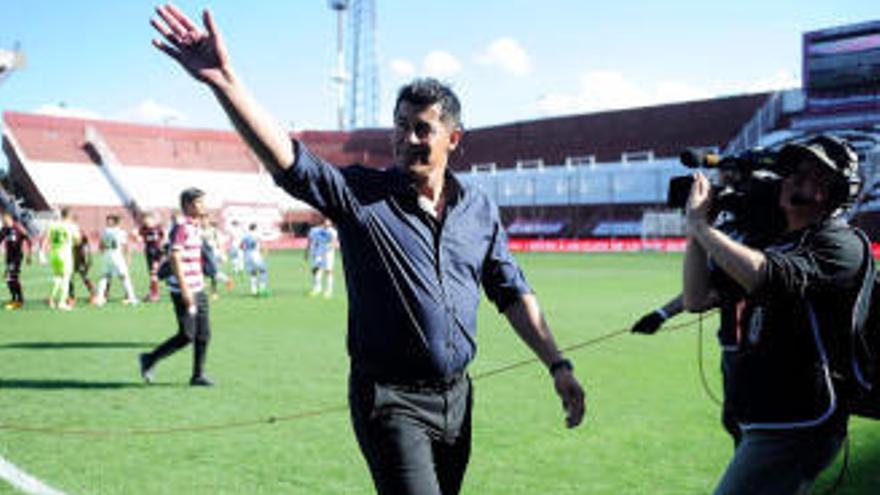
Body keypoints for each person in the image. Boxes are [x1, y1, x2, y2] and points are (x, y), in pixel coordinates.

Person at [150, 6, 585, 493]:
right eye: (400, 126)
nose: (407, 139)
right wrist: (225, 83)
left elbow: (512, 292)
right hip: (389, 400)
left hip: (458, 399)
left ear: (453, 138)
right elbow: (290, 161)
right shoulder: (361, 195)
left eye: (423, 129)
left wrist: (557, 364)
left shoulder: (478, 210)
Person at [682, 135, 865, 494]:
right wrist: (695, 230)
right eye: (792, 171)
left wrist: (703, 227)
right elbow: (697, 297)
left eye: (811, 174)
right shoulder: (772, 242)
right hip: (765, 415)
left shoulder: (842, 244)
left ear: (836, 191)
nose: (793, 179)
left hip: (799, 421)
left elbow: (767, 275)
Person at [139, 187, 213, 387]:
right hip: (183, 290)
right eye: (199, 203)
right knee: (187, 335)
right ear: (188, 205)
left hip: (198, 288)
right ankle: (149, 358)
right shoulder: (181, 227)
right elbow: (174, 256)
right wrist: (186, 288)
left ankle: (198, 375)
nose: (204, 206)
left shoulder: (195, 226)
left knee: (203, 334)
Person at [94, 214, 139, 306]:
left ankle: (99, 298)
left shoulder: (105, 231)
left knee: (104, 276)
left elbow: (100, 246)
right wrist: (128, 258)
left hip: (107, 255)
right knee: (124, 276)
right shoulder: (121, 232)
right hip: (117, 255)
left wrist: (104, 252)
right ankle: (132, 298)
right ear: (118, 222)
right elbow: (125, 246)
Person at [43, 208, 79, 311]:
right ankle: (62, 303)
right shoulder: (71, 226)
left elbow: (47, 238)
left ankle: (51, 298)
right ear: (69, 215)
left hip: (54, 253)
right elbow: (77, 240)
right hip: (65, 254)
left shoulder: (52, 225)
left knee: (58, 277)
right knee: (66, 278)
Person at [0, 211, 31, 310]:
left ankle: (18, 300)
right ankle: (15, 298)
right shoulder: (4, 229)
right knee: (10, 279)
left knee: (11, 277)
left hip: (17, 257)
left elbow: (28, 239)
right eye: (3, 220)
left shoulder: (18, 228)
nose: (4, 221)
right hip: (9, 257)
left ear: (10, 219)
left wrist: (29, 255)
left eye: (5, 220)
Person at [137, 210, 166, 302]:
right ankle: (153, 292)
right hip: (149, 253)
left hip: (157, 252)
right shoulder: (143, 229)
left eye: (148, 219)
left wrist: (162, 247)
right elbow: (139, 237)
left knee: (154, 273)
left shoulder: (158, 228)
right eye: (144, 220)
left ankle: (155, 294)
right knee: (152, 274)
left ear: (153, 220)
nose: (146, 221)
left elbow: (164, 237)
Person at [306, 218, 338, 298]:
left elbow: (334, 242)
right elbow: (310, 241)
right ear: (322, 222)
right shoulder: (314, 230)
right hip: (318, 253)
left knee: (328, 271)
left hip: (328, 254)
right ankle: (317, 288)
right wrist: (307, 252)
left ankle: (328, 291)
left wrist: (329, 247)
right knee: (316, 269)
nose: (328, 224)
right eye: (326, 222)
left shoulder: (333, 232)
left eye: (329, 223)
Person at [68, 214, 96, 307]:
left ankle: (93, 294)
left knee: (84, 277)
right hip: (70, 257)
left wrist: (89, 258)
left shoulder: (80, 232)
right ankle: (71, 297)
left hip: (79, 258)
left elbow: (87, 245)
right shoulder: (67, 230)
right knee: (69, 277)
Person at [240, 223, 269, 296]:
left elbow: (241, 246)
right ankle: (262, 289)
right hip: (255, 255)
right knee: (263, 270)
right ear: (255, 228)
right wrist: (264, 252)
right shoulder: (257, 235)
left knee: (253, 273)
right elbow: (262, 245)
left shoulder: (245, 235)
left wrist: (245, 251)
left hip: (247, 255)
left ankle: (254, 291)